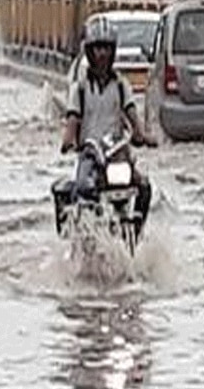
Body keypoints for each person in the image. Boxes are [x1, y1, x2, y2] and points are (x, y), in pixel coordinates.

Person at [59, 17, 158, 232]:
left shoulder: (122, 86)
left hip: (116, 154)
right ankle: (82, 234)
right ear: (89, 52)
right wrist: (68, 139)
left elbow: (132, 115)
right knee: (83, 189)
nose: (102, 54)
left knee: (143, 186)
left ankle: (136, 233)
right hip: (90, 154)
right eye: (97, 49)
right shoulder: (80, 88)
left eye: (106, 48)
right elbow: (73, 118)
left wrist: (142, 135)